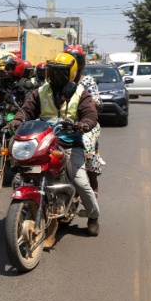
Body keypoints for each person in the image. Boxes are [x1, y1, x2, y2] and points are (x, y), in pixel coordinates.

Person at [9, 52, 101, 240]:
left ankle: (93, 216)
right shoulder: (41, 91)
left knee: (80, 182)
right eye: (52, 71)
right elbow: (27, 110)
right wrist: (17, 120)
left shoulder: (80, 93)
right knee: (24, 170)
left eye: (60, 72)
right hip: (44, 141)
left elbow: (90, 115)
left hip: (70, 143)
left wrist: (84, 124)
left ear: (71, 73)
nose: (54, 76)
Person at [65, 45, 104, 196]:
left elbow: (97, 103)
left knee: (86, 147)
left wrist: (88, 107)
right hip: (60, 123)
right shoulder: (58, 81)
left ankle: (92, 187)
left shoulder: (87, 81)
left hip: (85, 124)